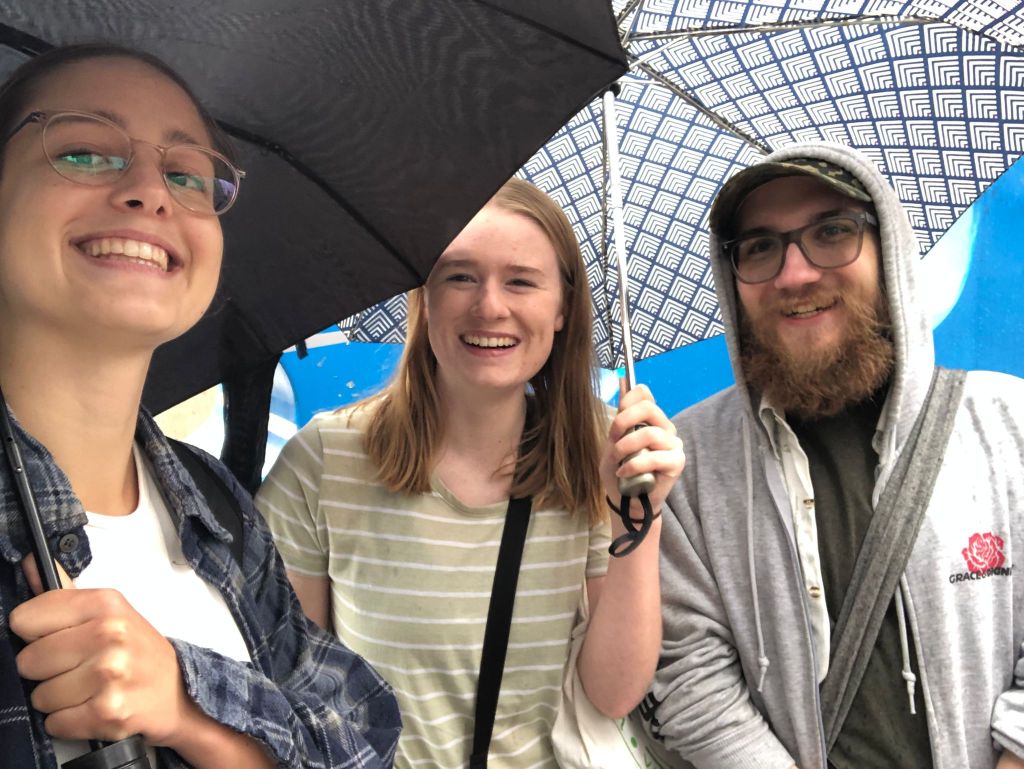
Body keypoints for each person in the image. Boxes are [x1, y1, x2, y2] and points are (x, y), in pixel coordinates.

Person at [0, 44, 401, 769]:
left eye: (187, 174)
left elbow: (362, 728)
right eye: (85, 152)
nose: (151, 192)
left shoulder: (213, 501)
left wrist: (190, 709)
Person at [256, 177, 685, 767]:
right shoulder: (327, 459)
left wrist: (639, 517)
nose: (490, 307)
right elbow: (294, 685)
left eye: (521, 281)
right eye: (460, 276)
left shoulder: (604, 456)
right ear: (424, 299)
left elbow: (612, 694)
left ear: (563, 307)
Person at [644, 142, 1024, 769]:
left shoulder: (1008, 423)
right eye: (759, 247)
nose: (794, 274)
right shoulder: (687, 465)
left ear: (888, 249)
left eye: (831, 232)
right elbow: (690, 676)